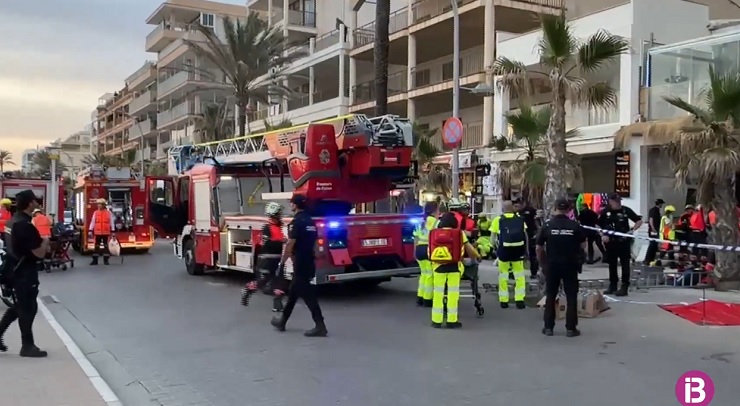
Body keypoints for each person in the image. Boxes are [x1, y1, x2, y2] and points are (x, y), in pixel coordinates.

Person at [0, 190, 50, 357]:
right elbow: (39, 253)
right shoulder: (25, 225)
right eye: (35, 201)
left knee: (18, 307)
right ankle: (27, 346)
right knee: (28, 308)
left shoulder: (11, 222)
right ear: (30, 204)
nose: (37, 203)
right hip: (25, 272)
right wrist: (45, 241)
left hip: (12, 269)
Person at [271, 194, 327, 337]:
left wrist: (282, 262)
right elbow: (316, 242)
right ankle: (282, 321)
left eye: (291, 203)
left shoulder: (296, 222)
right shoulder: (310, 221)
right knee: (293, 292)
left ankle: (320, 325)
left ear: (294, 205)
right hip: (309, 261)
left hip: (300, 262)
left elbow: (290, 244)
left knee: (308, 295)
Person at [536, 198, 587, 337]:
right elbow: (583, 244)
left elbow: (539, 247)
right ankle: (571, 328)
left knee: (551, 295)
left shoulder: (547, 225)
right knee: (571, 296)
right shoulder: (574, 226)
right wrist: (579, 255)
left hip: (552, 265)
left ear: (555, 208)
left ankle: (548, 327)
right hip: (570, 264)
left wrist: (542, 262)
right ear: (569, 209)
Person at [428, 212, 481, 328]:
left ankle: (436, 320)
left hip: (438, 266)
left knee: (438, 293)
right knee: (453, 293)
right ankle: (452, 320)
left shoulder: (433, 233)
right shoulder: (459, 233)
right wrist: (477, 256)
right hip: (454, 266)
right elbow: (469, 248)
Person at [241, 202, 288, 312]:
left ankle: (277, 305)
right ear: (274, 214)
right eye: (279, 213)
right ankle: (248, 290)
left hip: (277, 259)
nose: (281, 215)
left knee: (280, 282)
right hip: (267, 259)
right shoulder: (267, 228)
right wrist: (281, 241)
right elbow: (267, 244)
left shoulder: (278, 227)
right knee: (263, 280)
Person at [598, 193, 643, 296]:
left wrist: (632, 230)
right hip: (611, 242)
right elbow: (598, 225)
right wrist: (602, 235)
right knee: (612, 264)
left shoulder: (625, 210)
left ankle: (624, 286)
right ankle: (612, 285)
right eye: (616, 202)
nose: (618, 203)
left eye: (619, 201)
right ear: (610, 202)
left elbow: (639, 221)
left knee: (625, 264)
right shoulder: (605, 212)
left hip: (623, 241)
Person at [492, 201, 528, 309]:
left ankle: (504, 300)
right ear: (512, 208)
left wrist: (494, 249)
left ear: (503, 208)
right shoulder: (519, 219)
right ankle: (519, 299)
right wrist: (525, 250)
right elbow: (525, 235)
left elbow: (493, 237)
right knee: (519, 276)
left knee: (503, 276)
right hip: (518, 252)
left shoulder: (498, 220)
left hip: (504, 251)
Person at [413, 202, 439, 307]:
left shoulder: (420, 221)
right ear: (435, 210)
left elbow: (415, 237)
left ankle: (420, 296)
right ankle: (427, 299)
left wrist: (414, 252)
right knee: (430, 275)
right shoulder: (436, 222)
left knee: (423, 274)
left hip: (419, 249)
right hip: (428, 249)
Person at [514, 198, 539, 278]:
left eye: (519, 204)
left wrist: (537, 232)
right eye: (516, 205)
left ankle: (534, 272)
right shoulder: (516, 213)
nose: (517, 206)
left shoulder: (530, 210)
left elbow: (536, 222)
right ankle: (514, 272)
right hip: (519, 234)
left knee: (532, 254)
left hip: (530, 233)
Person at [88, 199, 114, 266]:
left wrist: (113, 230)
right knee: (96, 246)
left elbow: (111, 222)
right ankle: (95, 260)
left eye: (100, 204)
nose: (98, 205)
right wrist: (90, 230)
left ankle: (106, 260)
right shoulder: (95, 213)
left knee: (106, 247)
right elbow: (93, 222)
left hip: (106, 232)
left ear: (103, 205)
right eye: (98, 204)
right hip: (98, 232)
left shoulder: (108, 213)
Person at [644, 199, 665, 265]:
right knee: (652, 244)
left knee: (655, 245)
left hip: (655, 229)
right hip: (653, 230)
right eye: (661, 204)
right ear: (659, 204)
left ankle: (651, 259)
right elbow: (651, 219)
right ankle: (648, 259)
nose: (662, 205)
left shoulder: (656, 210)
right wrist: (653, 228)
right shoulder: (654, 210)